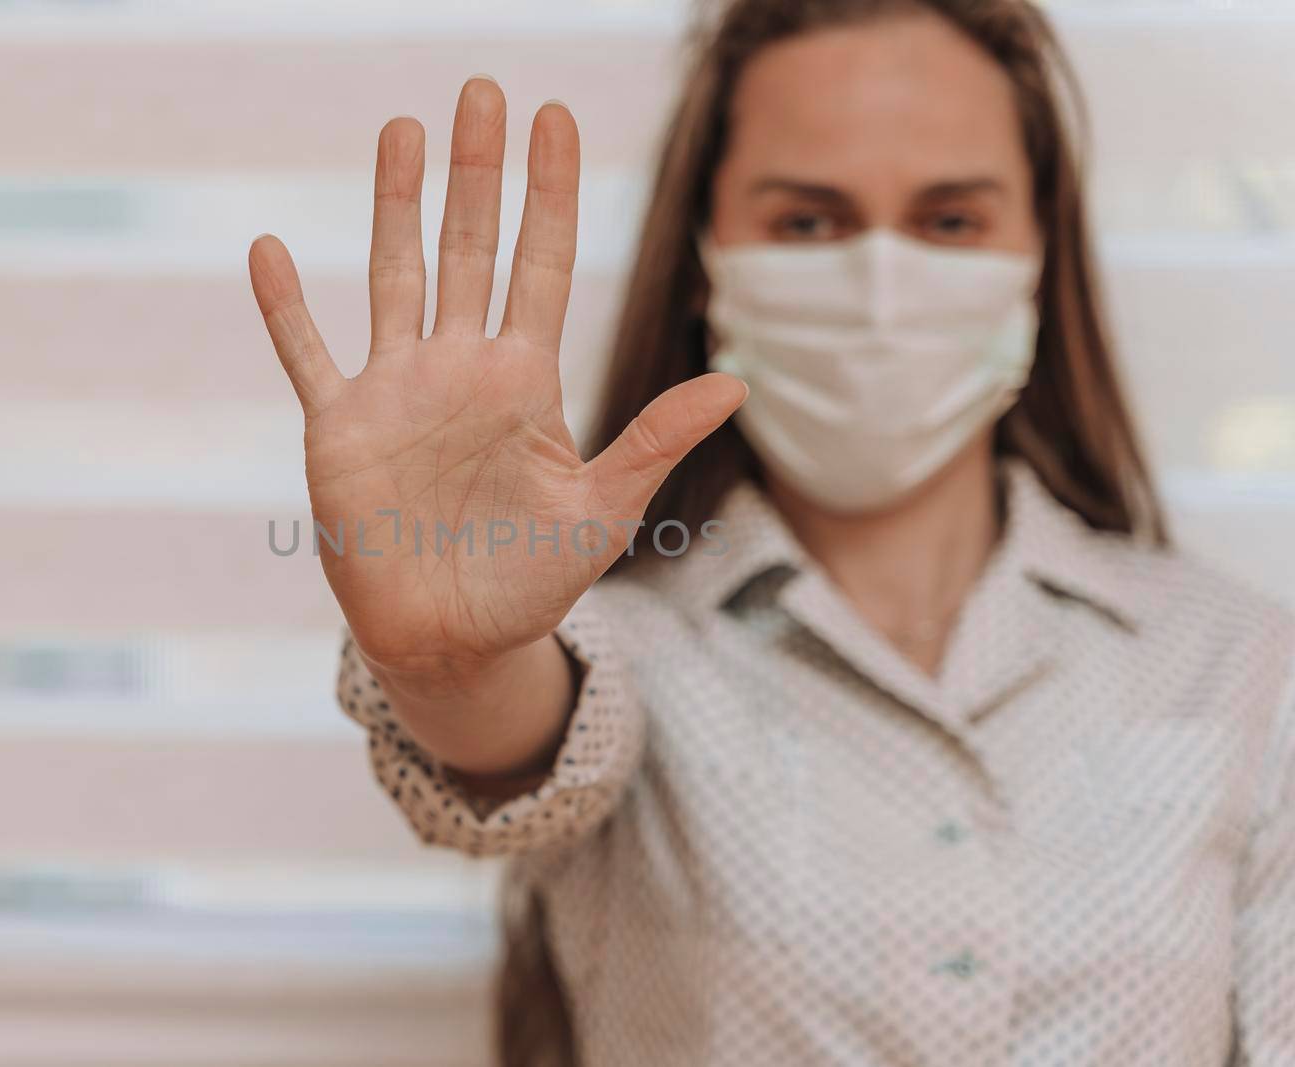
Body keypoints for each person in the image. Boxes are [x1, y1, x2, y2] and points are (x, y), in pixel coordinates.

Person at [247, 0, 1295, 1063]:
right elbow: (518, 730)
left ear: (1037, 249)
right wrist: (453, 660)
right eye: (806, 221)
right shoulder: (629, 644)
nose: (881, 285)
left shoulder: (1240, 663)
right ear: (707, 254)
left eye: (949, 221)